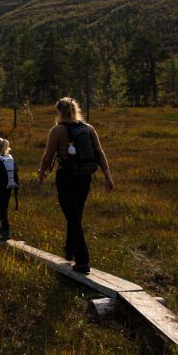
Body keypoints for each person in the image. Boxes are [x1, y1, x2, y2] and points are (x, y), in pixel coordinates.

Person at [37, 97, 114, 274]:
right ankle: (69, 251)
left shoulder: (57, 130)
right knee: (76, 214)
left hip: (66, 176)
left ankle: (82, 261)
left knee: (72, 216)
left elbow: (48, 155)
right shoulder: (88, 128)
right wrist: (107, 176)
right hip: (85, 177)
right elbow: (99, 153)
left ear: (59, 111)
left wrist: (42, 172)